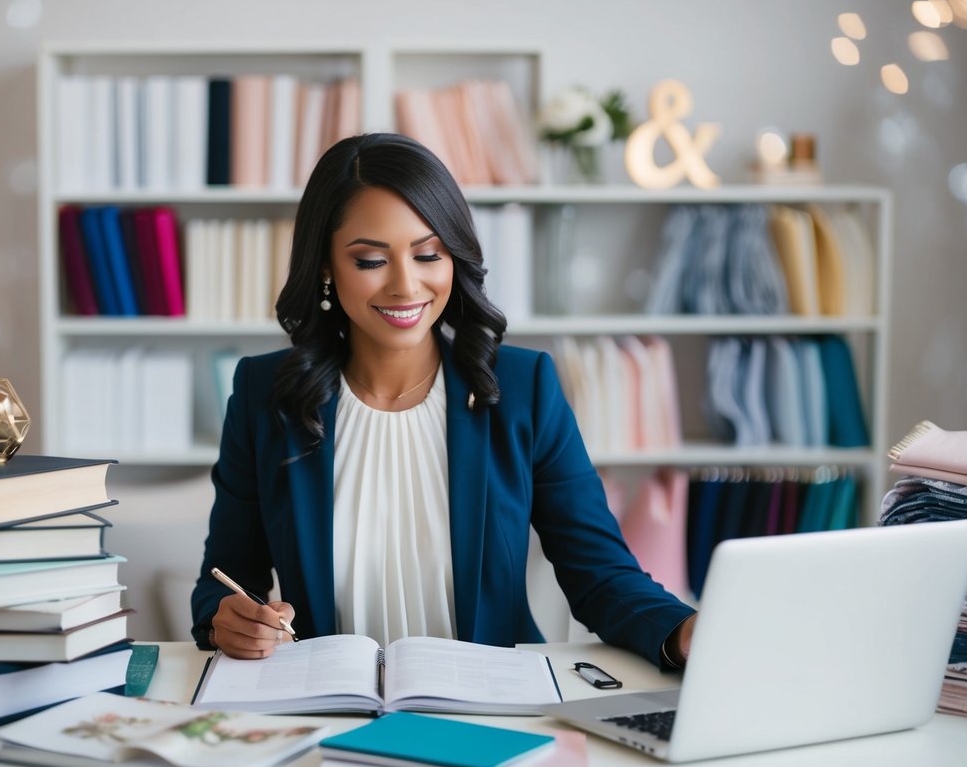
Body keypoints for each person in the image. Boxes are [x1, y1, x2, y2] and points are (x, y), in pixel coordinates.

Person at [190, 132, 696, 668]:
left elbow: (599, 573)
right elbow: (223, 578)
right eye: (369, 261)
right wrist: (228, 620)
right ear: (325, 268)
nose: (406, 286)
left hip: (490, 705)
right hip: (329, 708)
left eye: (428, 253)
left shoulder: (524, 388)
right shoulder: (263, 395)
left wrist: (682, 630)